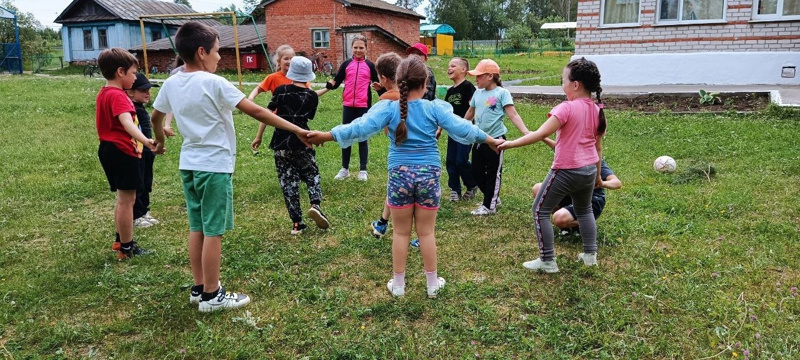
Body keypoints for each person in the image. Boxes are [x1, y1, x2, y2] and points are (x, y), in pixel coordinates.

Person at [307, 57, 505, 298]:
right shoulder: (435, 108)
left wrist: (327, 135)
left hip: (399, 175)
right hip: (428, 176)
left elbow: (359, 127)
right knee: (426, 233)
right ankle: (432, 285)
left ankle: (398, 286)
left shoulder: (388, 109)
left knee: (400, 233)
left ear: (398, 82)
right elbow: (464, 128)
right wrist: (490, 140)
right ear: (425, 83)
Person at [150, 22, 312, 312]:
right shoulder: (215, 83)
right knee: (214, 230)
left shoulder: (172, 82)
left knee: (197, 226)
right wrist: (297, 129)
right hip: (214, 167)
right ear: (201, 52)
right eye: (216, 51)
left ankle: (199, 288)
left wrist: (160, 141)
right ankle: (213, 296)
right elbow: (257, 110)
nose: (220, 57)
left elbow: (155, 117)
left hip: (188, 164)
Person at [498, 57, 607, 273]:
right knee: (584, 211)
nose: (562, 84)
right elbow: (598, 149)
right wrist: (597, 176)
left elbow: (540, 133)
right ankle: (590, 256)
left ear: (575, 85)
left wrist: (508, 144)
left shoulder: (566, 108)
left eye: (563, 79)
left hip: (566, 170)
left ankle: (547, 261)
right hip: (588, 170)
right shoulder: (597, 110)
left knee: (540, 210)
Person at [95, 48, 156, 260]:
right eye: (133, 73)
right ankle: (127, 248)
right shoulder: (118, 96)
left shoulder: (104, 93)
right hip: (121, 151)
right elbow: (127, 123)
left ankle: (120, 240)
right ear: (120, 72)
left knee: (123, 200)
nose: (135, 78)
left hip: (109, 149)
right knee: (127, 201)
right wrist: (147, 141)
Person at [266, 56, 331, 235]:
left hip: (279, 142)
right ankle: (315, 204)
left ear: (290, 72)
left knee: (288, 183)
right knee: (311, 173)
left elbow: (268, 114)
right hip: (302, 140)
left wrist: (258, 136)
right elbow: (308, 117)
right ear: (308, 75)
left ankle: (297, 224)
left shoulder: (279, 91)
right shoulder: (311, 96)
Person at [464, 59, 530, 216]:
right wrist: (459, 125)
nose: (476, 79)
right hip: (480, 139)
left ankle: (489, 206)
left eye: (479, 76)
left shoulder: (502, 93)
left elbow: (512, 114)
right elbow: (470, 113)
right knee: (476, 170)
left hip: (496, 140)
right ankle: (492, 196)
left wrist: (525, 132)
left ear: (490, 76)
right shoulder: (477, 93)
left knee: (494, 173)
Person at [318, 35, 380, 181]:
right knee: (345, 135)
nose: (358, 50)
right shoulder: (346, 64)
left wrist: (384, 93)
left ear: (366, 48)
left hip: (363, 106)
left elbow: (378, 85)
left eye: (361, 47)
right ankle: (344, 168)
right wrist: (329, 85)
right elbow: (337, 81)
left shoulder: (370, 66)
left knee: (362, 137)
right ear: (351, 48)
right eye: (355, 47)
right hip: (348, 106)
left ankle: (363, 170)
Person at [531, 137, 621, 235]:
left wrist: (602, 183)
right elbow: (556, 146)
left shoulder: (594, 162)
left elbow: (617, 183)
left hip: (590, 201)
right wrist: (541, 137)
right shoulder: (571, 154)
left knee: (558, 219)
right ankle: (566, 225)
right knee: (538, 189)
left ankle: (586, 223)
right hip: (570, 195)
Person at [369, 52, 402, 238]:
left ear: (382, 78)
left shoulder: (386, 100)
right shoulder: (411, 95)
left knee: (397, 189)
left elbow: (377, 125)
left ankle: (384, 223)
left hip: (399, 155)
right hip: (424, 159)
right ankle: (382, 222)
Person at [126, 73, 161, 228]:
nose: (148, 93)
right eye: (143, 90)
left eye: (148, 90)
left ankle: (144, 210)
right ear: (130, 92)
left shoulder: (140, 108)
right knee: (138, 182)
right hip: (137, 151)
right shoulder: (131, 110)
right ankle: (136, 215)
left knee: (147, 181)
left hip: (148, 151)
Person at [443, 57, 478, 202]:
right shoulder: (450, 91)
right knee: (451, 160)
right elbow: (444, 112)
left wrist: (470, 125)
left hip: (465, 131)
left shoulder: (468, 87)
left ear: (463, 69)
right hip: (452, 132)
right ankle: (455, 189)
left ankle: (472, 185)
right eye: (448, 66)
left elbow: (474, 108)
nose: (449, 68)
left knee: (461, 160)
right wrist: (439, 128)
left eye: (453, 66)